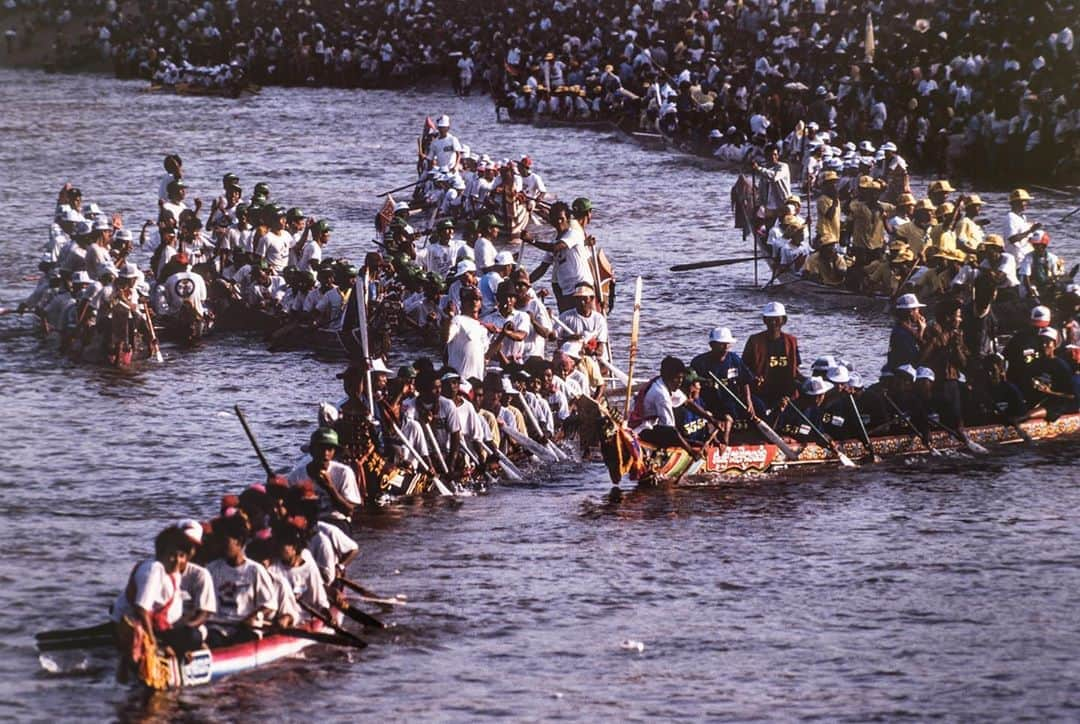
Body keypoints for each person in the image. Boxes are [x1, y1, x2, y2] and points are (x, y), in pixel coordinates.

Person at [111, 524, 205, 658]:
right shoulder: (154, 570)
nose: (177, 561)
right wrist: (153, 642)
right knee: (193, 637)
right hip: (131, 625)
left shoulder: (174, 573)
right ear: (161, 553)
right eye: (172, 555)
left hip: (156, 624)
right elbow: (141, 609)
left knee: (196, 633)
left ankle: (174, 648)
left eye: (181, 555)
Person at [205, 513, 276, 647]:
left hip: (245, 628)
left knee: (243, 638)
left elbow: (270, 604)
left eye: (226, 542)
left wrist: (253, 617)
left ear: (239, 542)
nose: (221, 546)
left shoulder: (255, 570)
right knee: (212, 640)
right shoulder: (211, 569)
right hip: (219, 627)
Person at [691, 326, 757, 445]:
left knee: (759, 407)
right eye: (721, 345)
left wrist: (749, 401)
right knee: (716, 417)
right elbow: (692, 386)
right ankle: (717, 442)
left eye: (728, 344)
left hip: (730, 401)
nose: (725, 348)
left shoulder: (734, 359)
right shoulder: (699, 362)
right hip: (708, 401)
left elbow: (745, 380)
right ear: (712, 345)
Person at [287, 428, 363, 525]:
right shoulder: (296, 476)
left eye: (329, 449)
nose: (325, 453)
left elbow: (349, 511)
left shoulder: (344, 472)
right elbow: (289, 508)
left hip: (336, 521)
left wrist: (329, 487)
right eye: (321, 448)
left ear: (334, 452)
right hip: (308, 523)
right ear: (312, 451)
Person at [742, 302, 801, 407]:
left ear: (784, 320)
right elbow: (744, 368)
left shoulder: (791, 341)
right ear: (764, 320)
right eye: (769, 319)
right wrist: (754, 378)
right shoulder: (754, 341)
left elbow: (795, 368)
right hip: (761, 392)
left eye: (777, 319)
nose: (773, 323)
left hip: (785, 392)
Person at [752, 144, 791, 226]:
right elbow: (761, 189)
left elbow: (774, 176)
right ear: (766, 156)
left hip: (783, 204)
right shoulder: (765, 170)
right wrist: (758, 204)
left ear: (778, 156)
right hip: (769, 207)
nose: (773, 157)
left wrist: (758, 169)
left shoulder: (783, 167)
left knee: (784, 229)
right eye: (770, 155)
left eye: (775, 154)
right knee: (769, 230)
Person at [1004, 188, 1039, 261]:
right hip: (1016, 258)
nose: (1026, 203)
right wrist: (1030, 230)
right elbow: (1012, 239)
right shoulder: (1010, 217)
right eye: (1023, 201)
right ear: (1015, 203)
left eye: (1026, 201)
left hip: (1025, 256)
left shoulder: (1022, 217)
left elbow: (1025, 237)